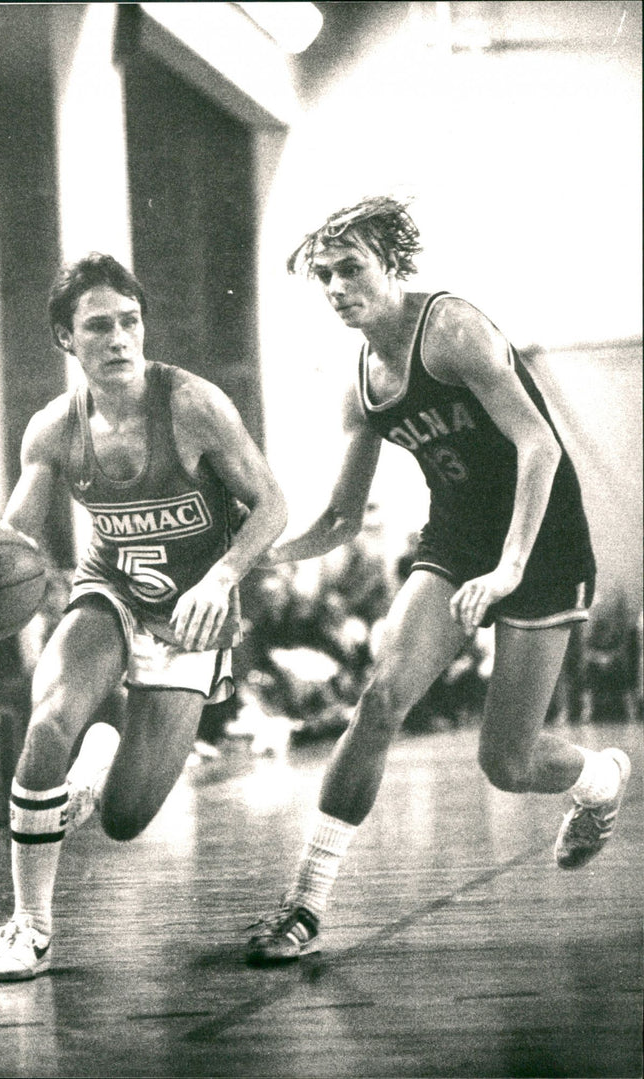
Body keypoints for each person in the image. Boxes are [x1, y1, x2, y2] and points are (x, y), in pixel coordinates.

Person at [246, 196, 631, 963]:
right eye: (323, 275)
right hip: (456, 537)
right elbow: (341, 519)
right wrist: (258, 560)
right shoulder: (361, 378)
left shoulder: (453, 331)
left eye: (351, 268)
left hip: (542, 538)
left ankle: (597, 774)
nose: (336, 287)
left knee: (506, 763)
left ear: (393, 263)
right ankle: (304, 904)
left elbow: (540, 447)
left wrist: (511, 565)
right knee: (381, 698)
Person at [0, 252, 287, 980]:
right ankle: (30, 926)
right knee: (47, 720)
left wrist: (223, 575)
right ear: (66, 338)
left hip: (193, 616)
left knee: (124, 818)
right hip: (110, 590)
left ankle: (95, 774)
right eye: (98, 326)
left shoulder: (191, 404)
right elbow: (18, 536)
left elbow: (273, 504)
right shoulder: (54, 428)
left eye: (130, 321)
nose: (119, 338)